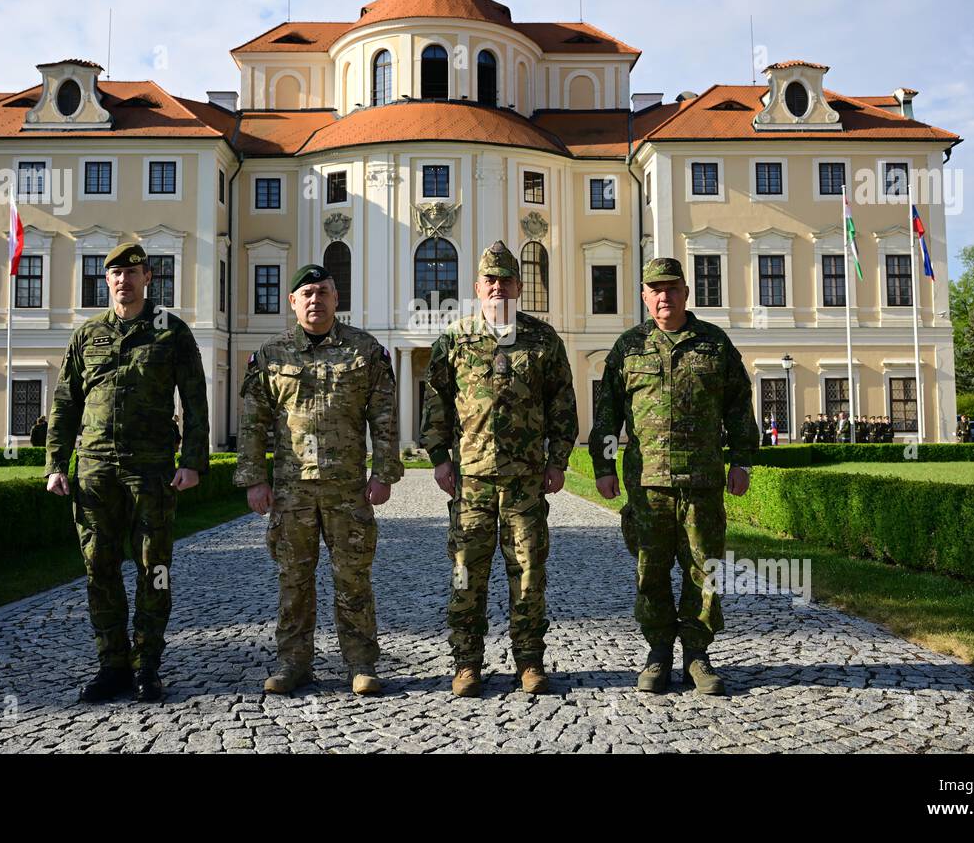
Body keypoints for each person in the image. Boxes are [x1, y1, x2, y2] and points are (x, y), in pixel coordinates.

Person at [45, 242, 209, 705]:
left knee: (153, 568)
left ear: (148, 278)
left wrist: (193, 461)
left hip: (152, 469)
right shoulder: (87, 336)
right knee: (99, 567)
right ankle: (111, 664)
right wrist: (56, 464)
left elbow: (195, 401)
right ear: (107, 280)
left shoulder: (170, 332)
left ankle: (147, 666)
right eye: (115, 274)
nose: (123, 281)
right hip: (95, 470)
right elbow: (64, 405)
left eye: (132, 272)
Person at [590, 257, 758, 696]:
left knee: (705, 570)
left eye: (672, 288)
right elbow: (607, 413)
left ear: (686, 292)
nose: (664, 296)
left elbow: (739, 406)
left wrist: (742, 461)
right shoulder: (628, 348)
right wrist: (605, 466)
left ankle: (697, 655)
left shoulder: (714, 344)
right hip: (648, 486)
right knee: (651, 571)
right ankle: (659, 652)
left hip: (702, 482)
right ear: (645, 296)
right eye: (655, 289)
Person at [236, 263, 402, 697]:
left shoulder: (365, 351)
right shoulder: (271, 356)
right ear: (293, 302)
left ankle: (361, 663)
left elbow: (383, 417)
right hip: (292, 491)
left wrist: (383, 473)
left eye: (323, 291)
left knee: (353, 579)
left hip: (347, 488)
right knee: (294, 580)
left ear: (336, 298)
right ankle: (294, 663)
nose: (315, 299)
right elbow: (253, 422)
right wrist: (255, 479)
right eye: (306, 293)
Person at [421, 240, 577, 698]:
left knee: (529, 574)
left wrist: (558, 460)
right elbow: (436, 404)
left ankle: (529, 661)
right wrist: (439, 458)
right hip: (470, 481)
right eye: (490, 280)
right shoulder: (455, 339)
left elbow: (563, 404)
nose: (498, 287)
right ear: (477, 287)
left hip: (526, 483)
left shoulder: (542, 339)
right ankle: (467, 663)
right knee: (466, 573)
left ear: (518, 286)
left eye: (506, 280)